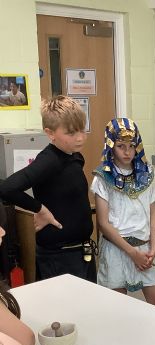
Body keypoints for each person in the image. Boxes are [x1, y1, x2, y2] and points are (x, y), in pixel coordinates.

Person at [0, 95, 96, 282]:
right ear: (50, 133)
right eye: (71, 133)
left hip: (80, 250)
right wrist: (40, 209)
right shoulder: (49, 160)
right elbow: (7, 188)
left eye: (82, 130)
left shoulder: (74, 156)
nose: (80, 137)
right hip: (59, 256)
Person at [91, 118, 155, 307]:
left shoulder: (146, 173)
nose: (127, 151)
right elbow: (103, 223)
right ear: (111, 146)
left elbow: (153, 213)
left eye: (131, 146)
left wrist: (154, 246)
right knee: (117, 304)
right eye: (121, 146)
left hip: (143, 247)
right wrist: (132, 253)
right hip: (116, 248)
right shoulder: (103, 177)